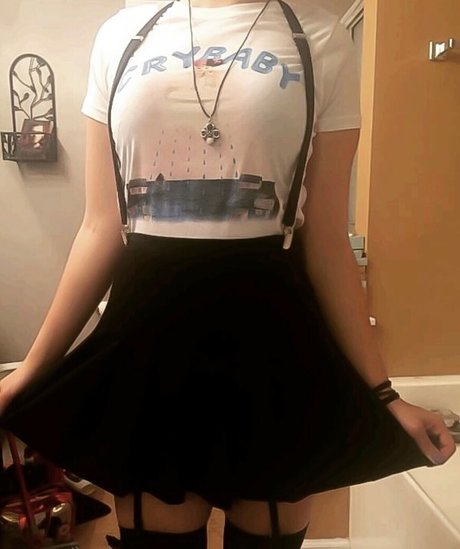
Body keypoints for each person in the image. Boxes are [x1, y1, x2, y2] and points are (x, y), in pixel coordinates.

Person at [0, 0, 456, 548]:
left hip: (275, 346)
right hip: (149, 345)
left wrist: (384, 394)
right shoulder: (121, 34)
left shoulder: (320, 38)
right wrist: (29, 372)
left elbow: (326, 241)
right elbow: (100, 227)